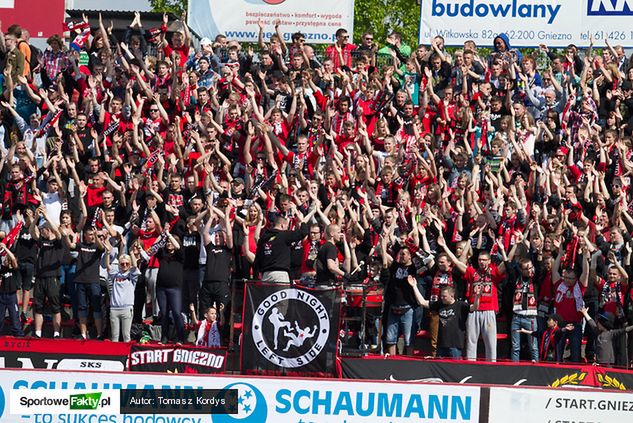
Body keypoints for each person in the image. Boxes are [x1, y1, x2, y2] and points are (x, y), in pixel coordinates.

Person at [412, 283, 481, 359]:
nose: (442, 298)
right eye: (441, 296)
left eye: (444, 296)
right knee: (439, 368)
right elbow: (422, 302)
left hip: (455, 345)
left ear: (452, 296)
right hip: (441, 345)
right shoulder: (440, 304)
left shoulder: (460, 305)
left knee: (455, 368)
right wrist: (414, 286)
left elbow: (474, 308)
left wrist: (477, 296)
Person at [29, 206, 63, 339]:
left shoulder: (58, 242)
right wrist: (36, 218)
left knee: (55, 306)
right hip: (40, 277)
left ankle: (56, 333)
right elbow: (32, 231)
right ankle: (38, 332)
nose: (41, 232)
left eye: (43, 229)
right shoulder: (41, 241)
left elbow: (58, 232)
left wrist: (47, 216)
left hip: (53, 277)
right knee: (38, 306)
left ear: (47, 230)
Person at [255, 216, 309, 283]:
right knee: (281, 293)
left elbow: (257, 259)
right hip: (280, 275)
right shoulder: (284, 235)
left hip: (265, 275)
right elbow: (303, 232)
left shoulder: (263, 238)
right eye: (286, 227)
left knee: (269, 294)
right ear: (282, 226)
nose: (287, 229)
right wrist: (303, 221)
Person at [106, 239, 140, 343]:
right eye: (122, 264)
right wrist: (107, 253)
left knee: (126, 336)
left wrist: (130, 253)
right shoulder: (116, 274)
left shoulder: (131, 275)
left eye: (126, 263)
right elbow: (108, 267)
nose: (124, 265)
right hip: (114, 308)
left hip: (127, 308)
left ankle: (127, 358)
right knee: (115, 336)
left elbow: (134, 266)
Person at [0, 243, 24, 337]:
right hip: (1, 295)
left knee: (14, 315)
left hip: (11, 295)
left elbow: (13, 259)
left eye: (6, 259)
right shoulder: (2, 269)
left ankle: (18, 333)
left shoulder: (14, 269)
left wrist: (5, 249)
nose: (4, 260)